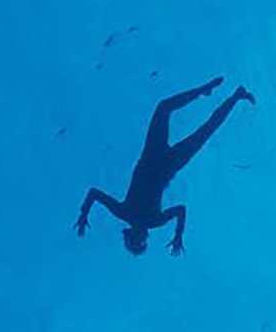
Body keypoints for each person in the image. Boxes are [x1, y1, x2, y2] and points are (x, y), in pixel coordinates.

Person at [76, 77, 255, 256]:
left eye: (135, 241)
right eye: (142, 241)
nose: (139, 238)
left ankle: (205, 90)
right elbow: (181, 210)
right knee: (204, 131)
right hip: (170, 165)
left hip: (151, 155)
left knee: (164, 109)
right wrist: (178, 234)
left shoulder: (125, 213)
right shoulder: (152, 220)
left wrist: (84, 215)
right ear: (145, 238)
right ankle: (235, 96)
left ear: (129, 236)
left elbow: (94, 193)